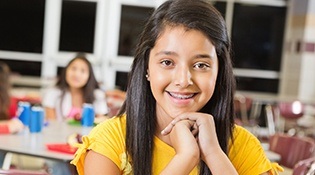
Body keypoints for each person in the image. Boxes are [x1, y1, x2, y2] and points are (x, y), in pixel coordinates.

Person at [71, 0, 283, 174]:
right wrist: (185, 158)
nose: (183, 80)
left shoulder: (243, 146)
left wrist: (214, 154)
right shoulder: (110, 140)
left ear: (219, 72)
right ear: (147, 68)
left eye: (201, 65)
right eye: (167, 62)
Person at [42, 53, 108, 121]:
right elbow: (52, 125)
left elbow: (100, 123)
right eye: (73, 68)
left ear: (89, 76)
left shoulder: (98, 95)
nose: (77, 74)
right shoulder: (53, 93)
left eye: (83, 71)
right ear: (66, 71)